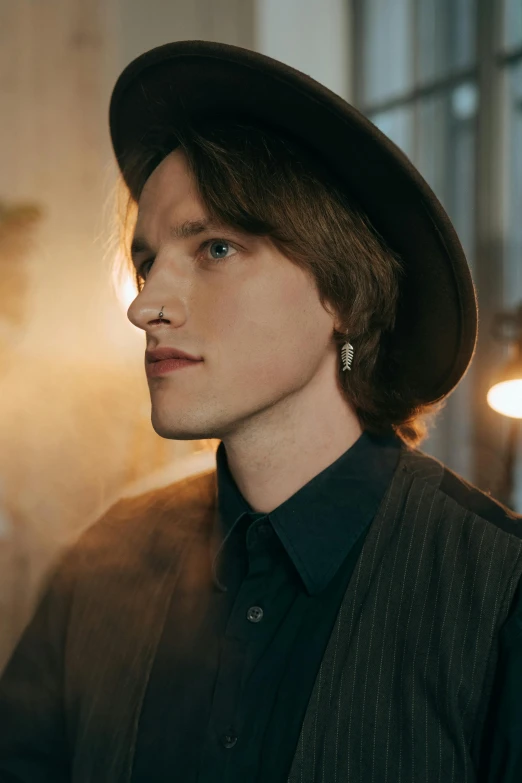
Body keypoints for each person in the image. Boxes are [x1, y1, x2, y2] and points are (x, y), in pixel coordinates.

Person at [0, 40, 521, 783]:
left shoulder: (497, 595)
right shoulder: (98, 572)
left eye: (214, 249)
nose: (145, 305)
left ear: (342, 293)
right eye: (148, 261)